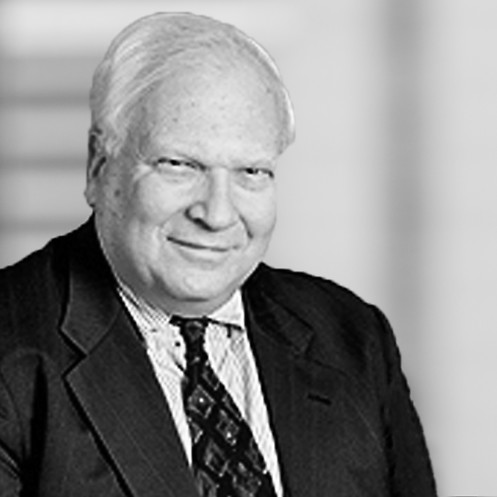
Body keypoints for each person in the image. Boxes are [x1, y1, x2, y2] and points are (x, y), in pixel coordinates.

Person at [0, 12, 437, 497]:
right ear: (99, 167)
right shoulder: (12, 353)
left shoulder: (353, 338)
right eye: (179, 165)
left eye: (251, 172)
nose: (217, 214)